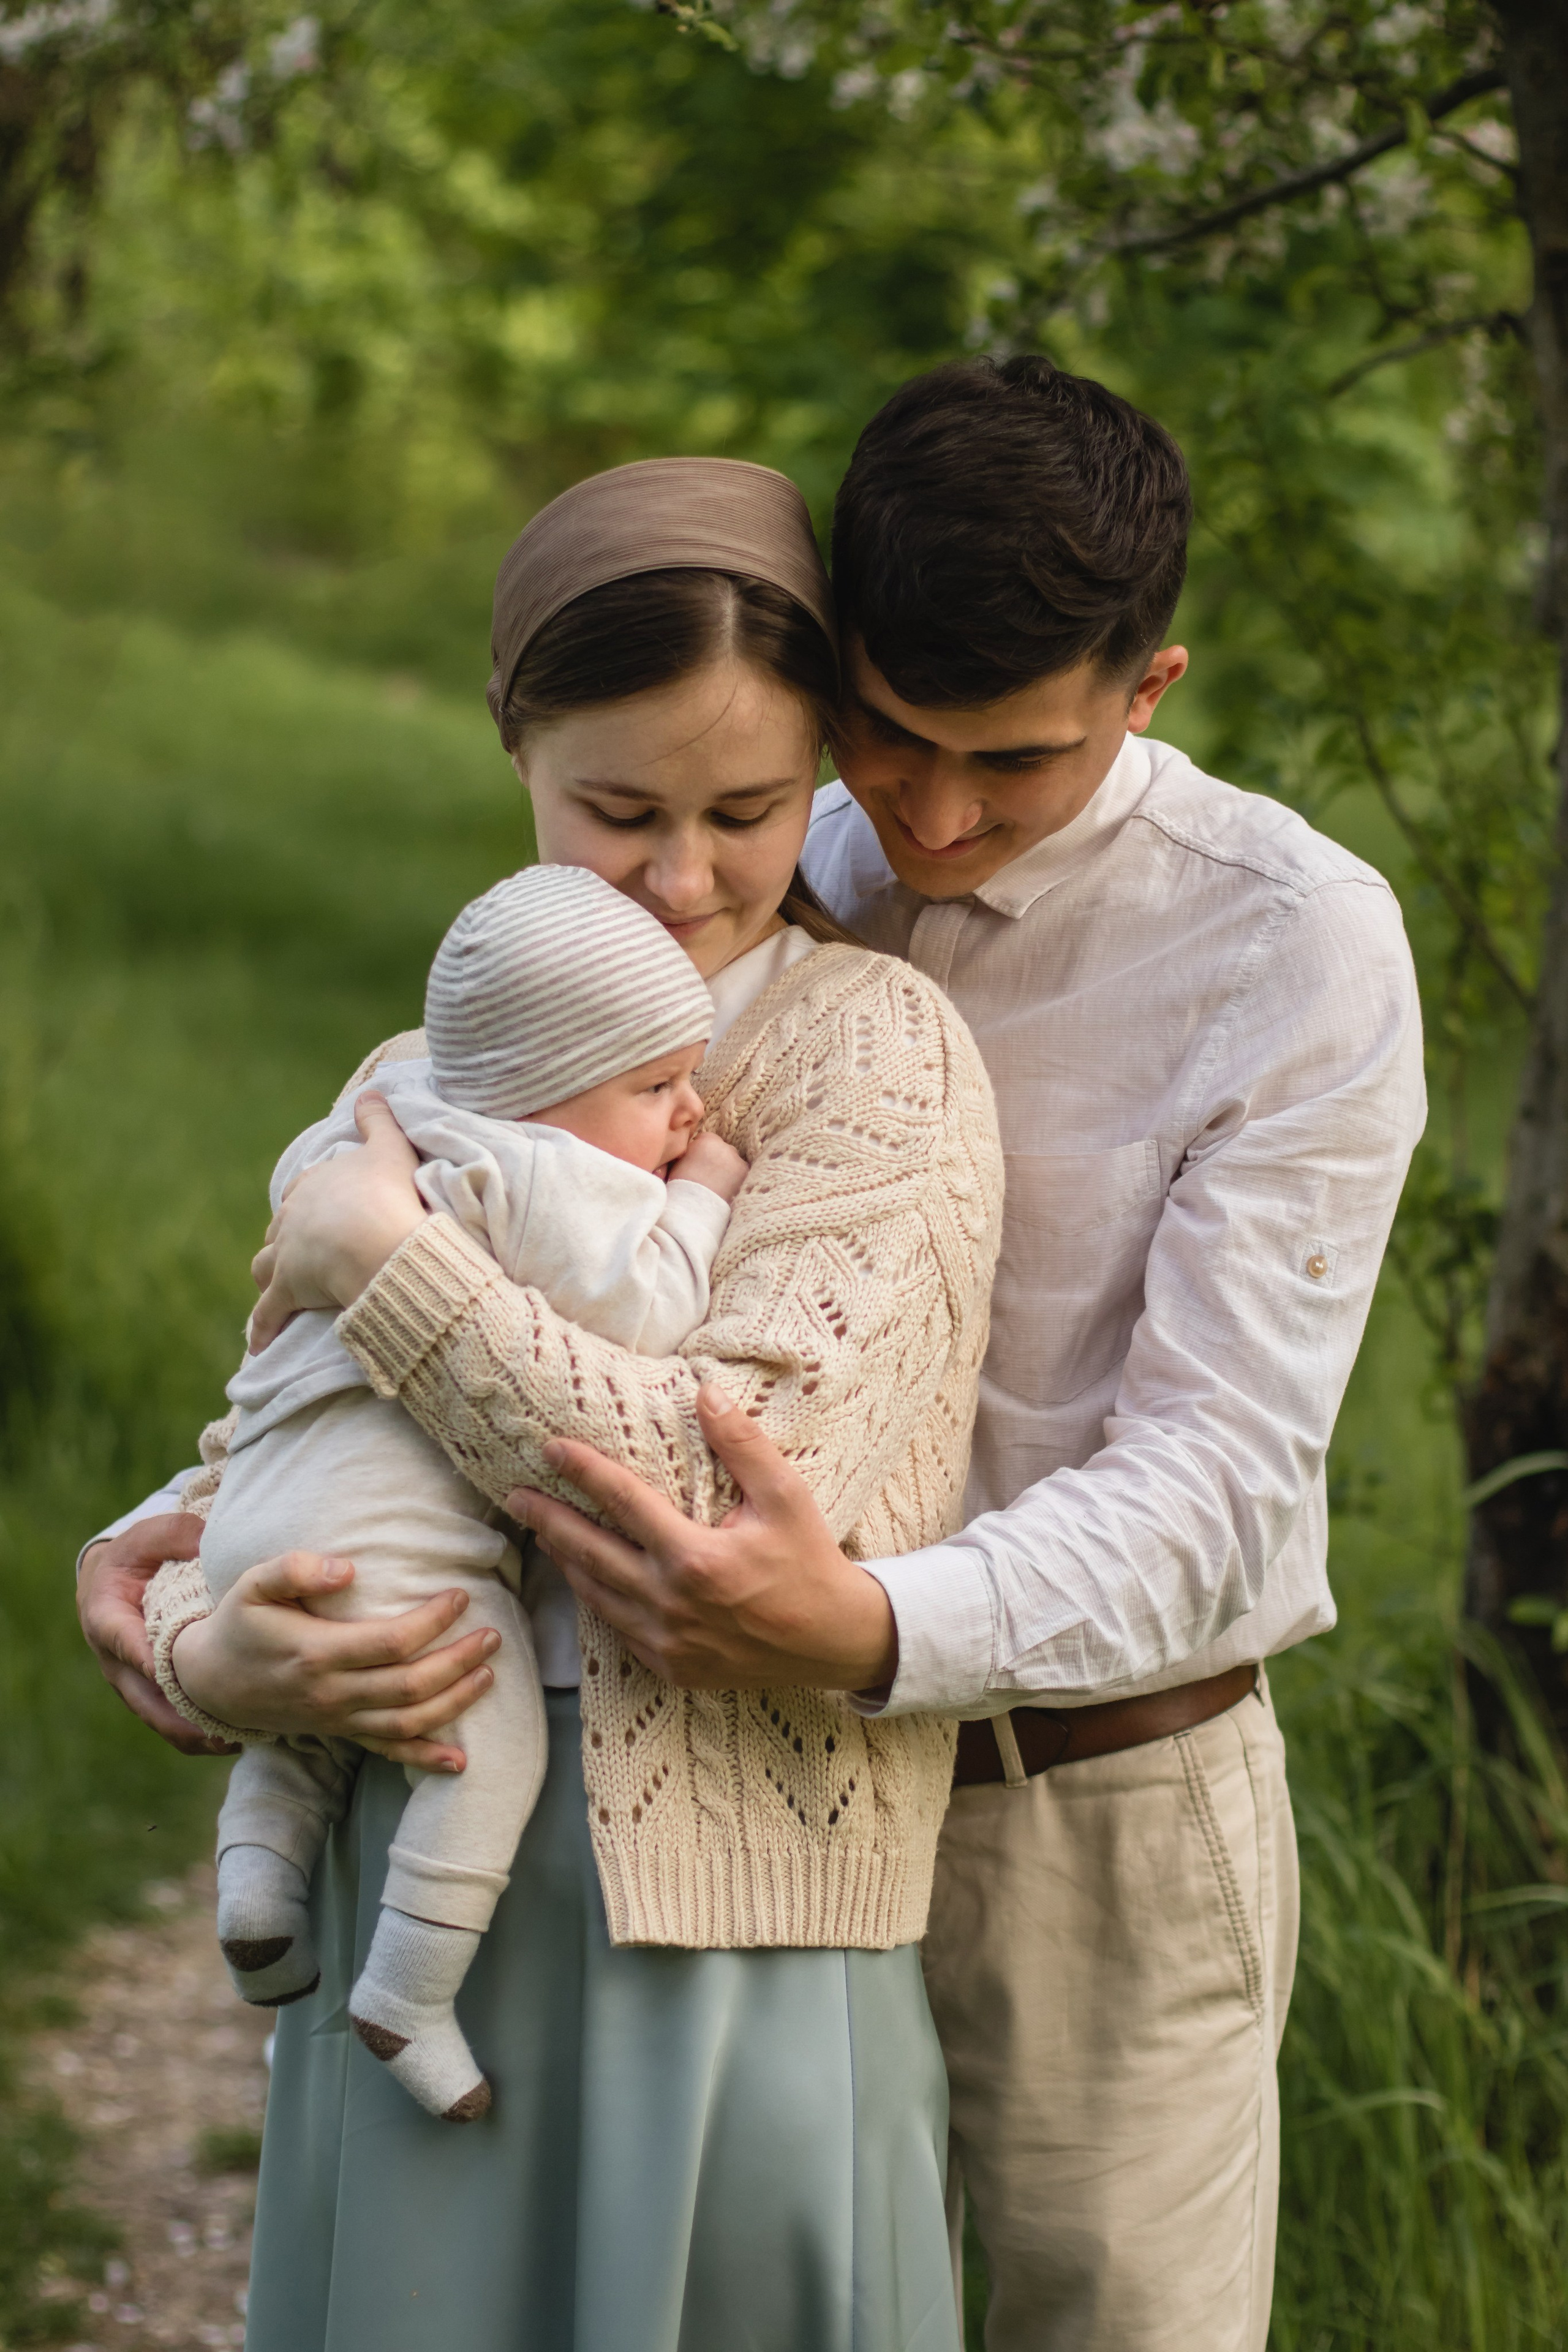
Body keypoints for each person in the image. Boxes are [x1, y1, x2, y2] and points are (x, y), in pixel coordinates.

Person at [236, 363, 1425, 2352]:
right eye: (890, 739)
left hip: (1087, 1805)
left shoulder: (1288, 944)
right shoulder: (757, 862)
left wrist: (861, 1624)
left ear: (1152, 688)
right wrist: (189, 1571)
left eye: (1015, 762)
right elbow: (452, 1275)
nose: (937, 815)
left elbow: (1222, 1483)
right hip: (722, 1775)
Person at [80, 454, 1003, 2352]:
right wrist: (194, 1624)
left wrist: (392, 1268)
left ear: (825, 760)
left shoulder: (873, 1050)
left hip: (741, 1896)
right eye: (614, 811)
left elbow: (738, 1508)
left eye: (749, 811)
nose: (680, 880)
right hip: (418, 1851)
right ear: (516, 751)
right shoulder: (436, 1062)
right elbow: (284, 1431)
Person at [157, 862, 746, 2122]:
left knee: (317, 1715)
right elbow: (650, 1312)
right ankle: (407, 1998)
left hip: (250, 1524)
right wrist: (699, 1200)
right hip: (389, 1547)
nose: (688, 1110)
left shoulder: (374, 1116)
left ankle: (259, 1887)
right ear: (540, 1094)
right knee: (477, 1741)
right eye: (654, 1089)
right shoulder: (534, 1171)